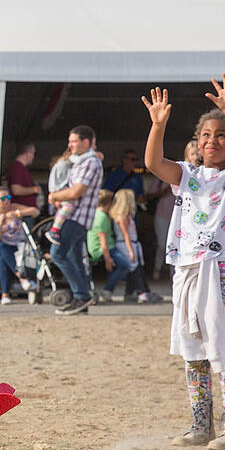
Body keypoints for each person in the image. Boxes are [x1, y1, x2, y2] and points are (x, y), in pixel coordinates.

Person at [142, 75, 225, 450]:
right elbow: (152, 162)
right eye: (206, 135)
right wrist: (158, 125)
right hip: (189, 269)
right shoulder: (186, 175)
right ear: (197, 141)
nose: (213, 141)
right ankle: (200, 424)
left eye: (221, 135)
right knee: (193, 350)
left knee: (224, 348)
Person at [47, 126, 103, 315]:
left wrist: (55, 195)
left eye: (73, 141)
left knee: (58, 253)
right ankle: (82, 298)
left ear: (85, 142)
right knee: (73, 257)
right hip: (76, 216)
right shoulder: (82, 161)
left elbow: (76, 191)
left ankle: (82, 296)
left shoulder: (90, 163)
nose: (69, 145)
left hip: (76, 216)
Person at [0, 187, 39, 305]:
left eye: (8, 197)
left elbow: (35, 211)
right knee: (3, 249)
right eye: (3, 199)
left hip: (15, 246)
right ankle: (22, 278)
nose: (6, 201)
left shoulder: (14, 207)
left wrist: (18, 213)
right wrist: (0, 224)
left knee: (3, 258)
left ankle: (5, 294)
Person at [110, 189, 159, 303]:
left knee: (133, 270)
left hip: (129, 243)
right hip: (127, 244)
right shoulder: (123, 218)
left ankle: (130, 292)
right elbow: (126, 235)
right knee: (136, 269)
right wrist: (131, 251)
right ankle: (142, 292)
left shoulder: (122, 216)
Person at [87, 190, 132, 302]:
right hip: (102, 249)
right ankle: (108, 290)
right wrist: (107, 259)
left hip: (106, 247)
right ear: (108, 203)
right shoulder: (101, 217)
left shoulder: (97, 215)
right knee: (124, 265)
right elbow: (103, 242)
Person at [7, 143, 39, 210]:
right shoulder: (17, 167)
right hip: (22, 212)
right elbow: (16, 190)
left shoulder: (21, 168)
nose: (33, 156)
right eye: (33, 153)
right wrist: (35, 189)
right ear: (28, 153)